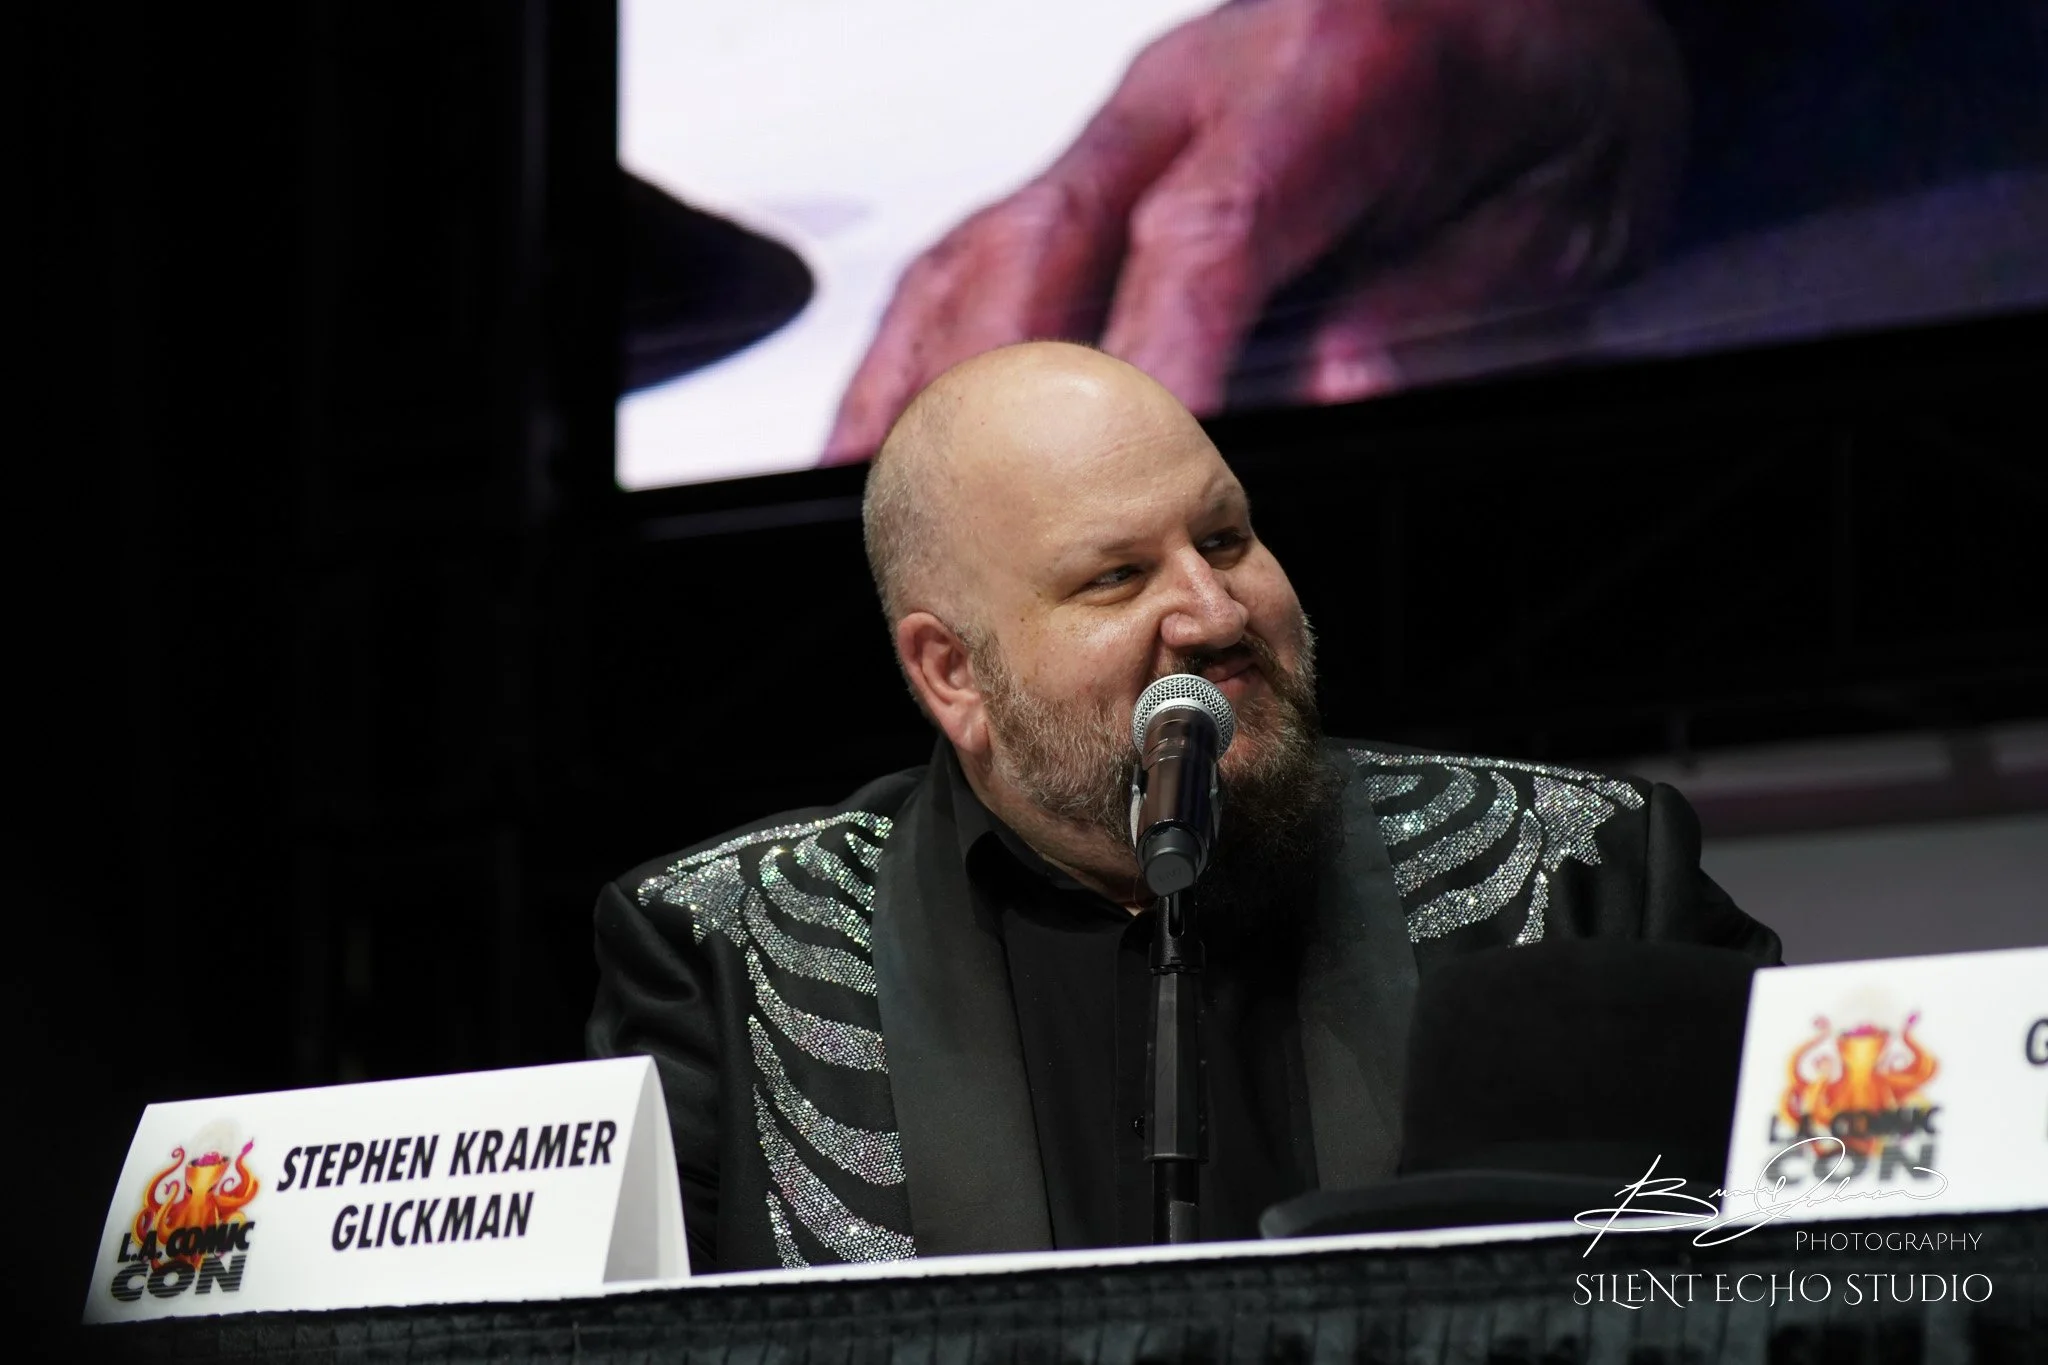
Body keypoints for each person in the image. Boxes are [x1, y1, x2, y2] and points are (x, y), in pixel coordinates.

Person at [588, 341, 1779, 1272]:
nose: (1213, 612)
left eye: (1225, 537)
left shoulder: (1583, 869)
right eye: (1115, 577)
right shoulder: (726, 948)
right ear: (952, 675)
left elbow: (1811, 1267)